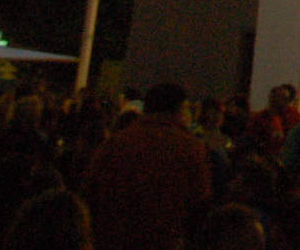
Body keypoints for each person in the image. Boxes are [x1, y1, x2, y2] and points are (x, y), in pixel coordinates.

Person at [84, 81, 213, 250]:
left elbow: (91, 190)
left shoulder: (117, 143)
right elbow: (200, 202)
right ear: (178, 110)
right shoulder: (191, 149)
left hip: (114, 240)